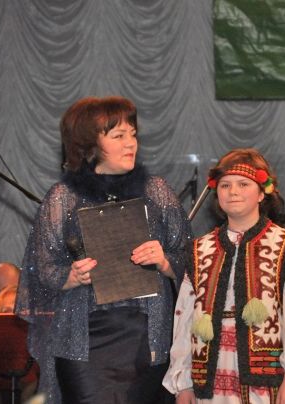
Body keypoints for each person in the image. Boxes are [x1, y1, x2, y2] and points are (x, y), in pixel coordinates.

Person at [15, 96, 192, 404]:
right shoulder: (63, 197)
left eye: (133, 134)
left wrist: (165, 261)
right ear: (89, 144)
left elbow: (191, 256)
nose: (131, 143)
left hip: (147, 339)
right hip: (84, 341)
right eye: (118, 136)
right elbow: (42, 268)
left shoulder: (157, 191)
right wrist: (70, 276)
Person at [163, 148, 285, 404]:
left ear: (262, 193)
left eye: (243, 184)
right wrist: (183, 383)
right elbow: (185, 317)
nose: (233, 191)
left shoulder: (284, 246)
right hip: (210, 376)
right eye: (225, 185)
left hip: (264, 380)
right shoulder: (200, 249)